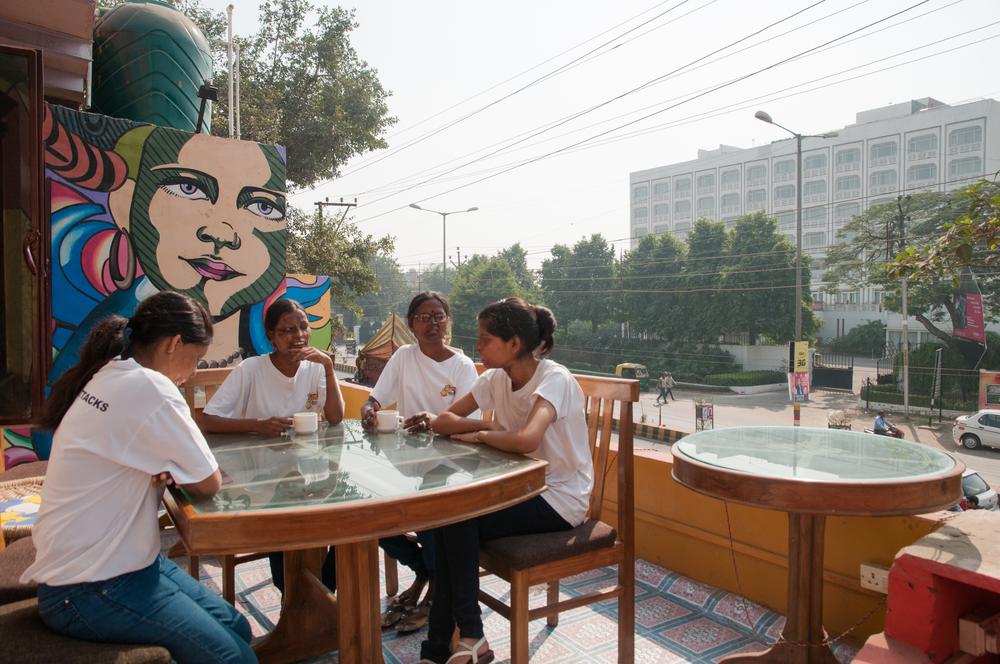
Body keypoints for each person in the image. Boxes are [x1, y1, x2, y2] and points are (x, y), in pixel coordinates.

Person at [21, 291, 256, 664]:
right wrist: (175, 468)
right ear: (174, 344)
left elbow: (167, 462)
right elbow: (208, 481)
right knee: (235, 658)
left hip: (113, 564)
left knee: (238, 628)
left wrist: (168, 466)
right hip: (91, 586)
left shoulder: (110, 372)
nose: (192, 374)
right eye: (195, 360)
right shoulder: (151, 387)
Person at [422, 297, 591, 664]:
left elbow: (527, 439)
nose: (478, 346)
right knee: (450, 518)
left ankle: (459, 639)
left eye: (485, 339)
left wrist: (484, 436)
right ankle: (453, 642)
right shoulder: (496, 378)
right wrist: (488, 425)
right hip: (520, 489)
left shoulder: (554, 379)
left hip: (560, 498)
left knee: (457, 518)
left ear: (514, 344)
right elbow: (442, 421)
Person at [200, 298, 345, 594]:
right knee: (288, 527)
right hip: (260, 478)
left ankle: (318, 596)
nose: (299, 336)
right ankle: (298, 597)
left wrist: (329, 369)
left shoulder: (316, 367)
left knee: (347, 525)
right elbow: (208, 420)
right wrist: (257, 424)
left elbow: (336, 417)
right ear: (271, 337)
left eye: (303, 327)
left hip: (307, 470)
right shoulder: (251, 369)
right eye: (287, 330)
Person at [359, 292, 478, 634]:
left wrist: (436, 420)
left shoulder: (462, 366)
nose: (433, 324)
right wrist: (369, 409)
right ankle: (424, 570)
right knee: (368, 509)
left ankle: (436, 593)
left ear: (448, 321)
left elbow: (472, 422)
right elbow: (375, 397)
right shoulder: (404, 358)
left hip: (450, 463)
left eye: (439, 316)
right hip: (406, 461)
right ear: (411, 324)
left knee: (431, 510)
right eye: (424, 318)